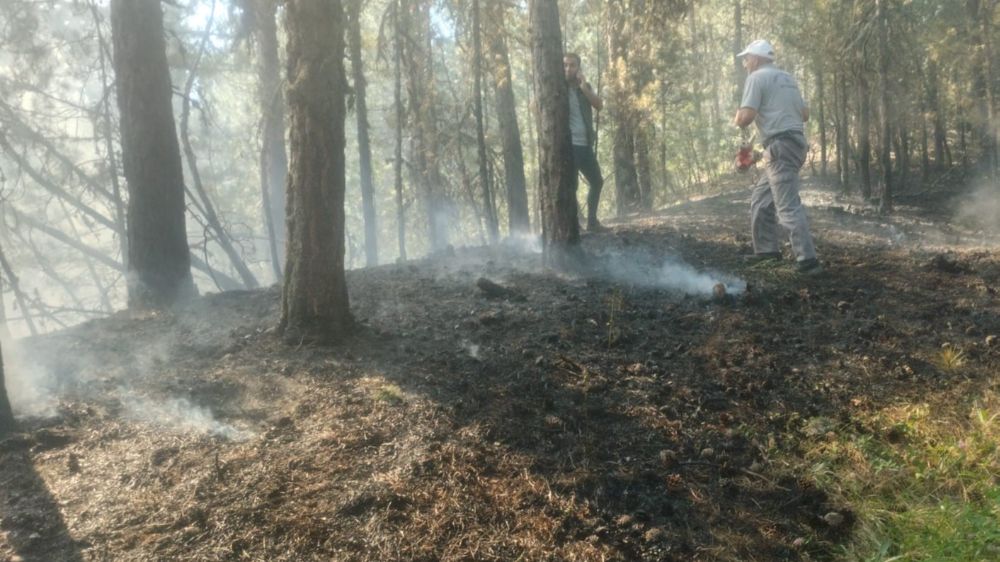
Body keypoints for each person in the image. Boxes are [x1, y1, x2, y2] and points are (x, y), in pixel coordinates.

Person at [734, 39, 822, 275]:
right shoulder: (787, 79)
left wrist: (738, 116)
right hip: (793, 144)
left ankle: (808, 261)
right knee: (761, 200)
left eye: (747, 58)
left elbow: (745, 118)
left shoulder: (756, 78)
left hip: (780, 147)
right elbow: (804, 115)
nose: (745, 64)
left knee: (787, 206)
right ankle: (766, 252)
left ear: (757, 58)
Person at [563, 52, 606, 232]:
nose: (568, 69)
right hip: (569, 146)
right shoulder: (556, 88)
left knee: (597, 181)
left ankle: (592, 222)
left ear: (578, 68)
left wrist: (583, 86)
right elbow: (534, 106)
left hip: (585, 144)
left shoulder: (584, 87)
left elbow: (599, 105)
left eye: (572, 65)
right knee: (571, 186)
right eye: (565, 65)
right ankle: (573, 225)